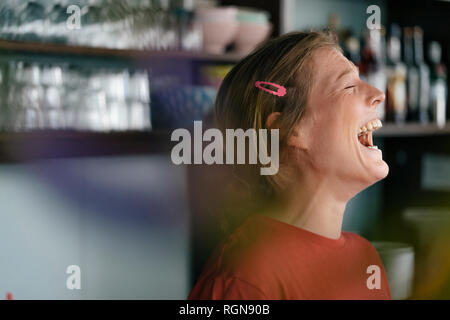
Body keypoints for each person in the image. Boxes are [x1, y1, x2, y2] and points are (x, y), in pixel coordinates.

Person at [188, 30, 391, 300]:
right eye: (347, 86)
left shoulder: (366, 260)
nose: (379, 94)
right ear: (290, 129)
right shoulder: (244, 281)